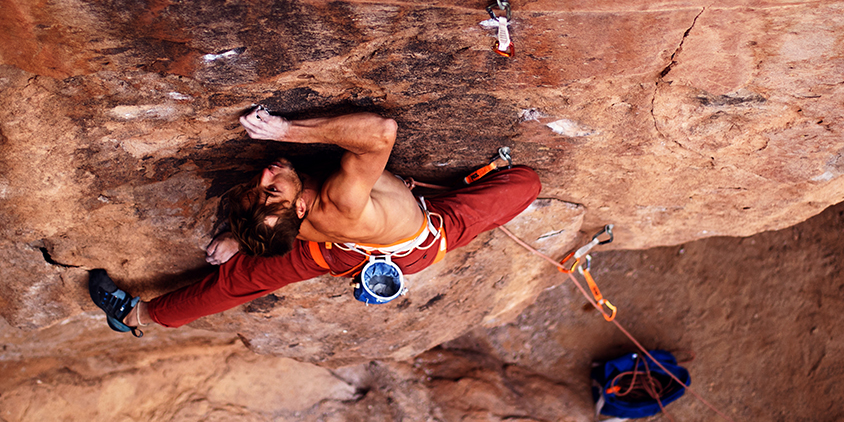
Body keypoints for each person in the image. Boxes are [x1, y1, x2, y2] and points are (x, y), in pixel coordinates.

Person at [87, 108, 541, 332]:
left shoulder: (305, 217)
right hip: (410, 240)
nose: (267, 173)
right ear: (298, 210)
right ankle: (137, 315)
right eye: (271, 190)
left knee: (238, 280)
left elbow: (380, 133)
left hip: (335, 250)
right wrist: (287, 132)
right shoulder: (339, 196)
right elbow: (382, 131)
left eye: (262, 188)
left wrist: (249, 238)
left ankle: (138, 314)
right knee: (526, 184)